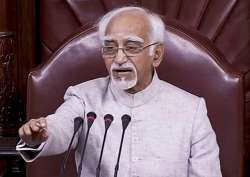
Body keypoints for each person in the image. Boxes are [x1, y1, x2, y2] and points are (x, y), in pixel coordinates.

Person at [16, 6, 222, 177]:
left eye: (131, 47)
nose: (119, 58)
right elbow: (59, 127)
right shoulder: (83, 97)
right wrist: (39, 137)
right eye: (110, 48)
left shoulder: (191, 110)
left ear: (156, 55)